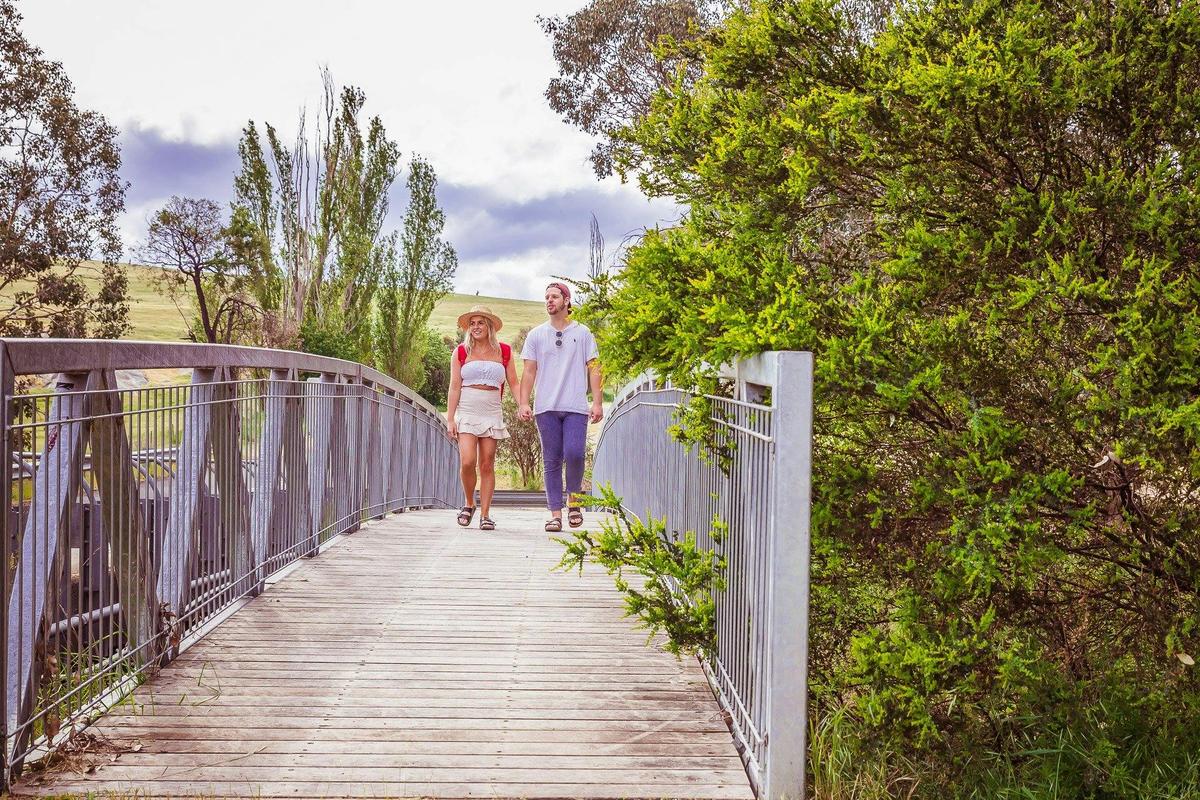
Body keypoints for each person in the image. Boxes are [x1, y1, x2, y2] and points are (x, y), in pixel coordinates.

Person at [518, 282, 603, 532]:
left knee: (575, 454)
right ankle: (555, 514)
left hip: (576, 406)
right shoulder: (536, 335)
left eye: (554, 296)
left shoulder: (583, 332)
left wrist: (597, 402)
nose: (549, 301)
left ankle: (574, 502)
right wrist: (524, 402)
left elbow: (595, 367)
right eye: (546, 297)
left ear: (566, 301)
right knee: (551, 460)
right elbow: (529, 371)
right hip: (546, 407)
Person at [446, 305, 518, 531]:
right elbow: (454, 387)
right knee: (467, 461)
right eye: (472, 323)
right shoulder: (460, 352)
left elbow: (514, 382)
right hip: (467, 410)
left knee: (486, 464)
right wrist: (450, 418)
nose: (476, 327)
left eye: (480, 323)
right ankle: (469, 503)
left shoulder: (504, 351)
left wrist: (522, 404)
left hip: (492, 410)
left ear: (489, 326)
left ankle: (485, 514)